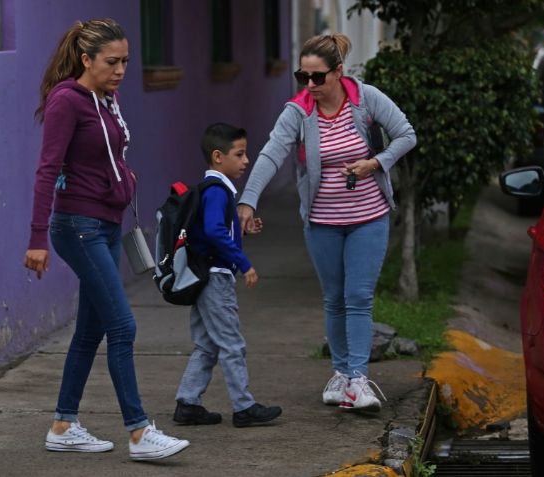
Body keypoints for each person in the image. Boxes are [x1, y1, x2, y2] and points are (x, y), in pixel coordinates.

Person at [23, 18, 189, 461]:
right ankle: (139, 432)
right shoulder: (67, 102)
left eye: (126, 62)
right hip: (78, 226)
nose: (120, 70)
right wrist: (37, 237)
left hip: (107, 223)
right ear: (86, 60)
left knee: (91, 328)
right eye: (111, 62)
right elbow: (46, 170)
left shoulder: (105, 99)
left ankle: (63, 424)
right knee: (123, 326)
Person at [237, 33, 416, 412]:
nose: (310, 85)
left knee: (359, 298)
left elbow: (405, 135)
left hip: (369, 217)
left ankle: (357, 379)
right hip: (321, 221)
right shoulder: (298, 111)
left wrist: (376, 162)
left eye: (318, 77)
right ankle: (339, 375)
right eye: (304, 77)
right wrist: (248, 200)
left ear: (338, 72)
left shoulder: (366, 99)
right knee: (334, 299)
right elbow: (271, 154)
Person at [172, 123, 283, 428]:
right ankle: (244, 407)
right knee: (232, 344)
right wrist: (243, 262)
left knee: (207, 344)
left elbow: (217, 230)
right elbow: (214, 231)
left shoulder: (212, 190)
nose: (246, 161)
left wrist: (243, 230)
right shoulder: (218, 191)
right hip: (216, 279)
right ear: (218, 157)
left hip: (204, 277)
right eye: (240, 154)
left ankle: (188, 403)